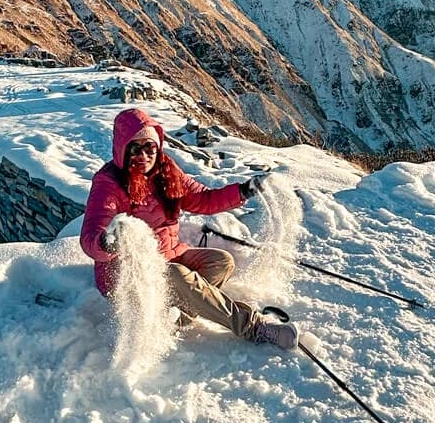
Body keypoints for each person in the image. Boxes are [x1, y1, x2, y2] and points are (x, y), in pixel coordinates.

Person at [80, 107, 300, 350]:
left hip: (169, 254)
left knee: (222, 262)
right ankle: (254, 327)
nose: (144, 155)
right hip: (129, 273)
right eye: (135, 147)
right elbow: (91, 235)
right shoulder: (110, 184)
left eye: (149, 147)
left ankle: (178, 312)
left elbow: (202, 199)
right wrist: (108, 241)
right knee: (177, 275)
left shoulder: (166, 172)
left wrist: (244, 191)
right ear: (123, 148)